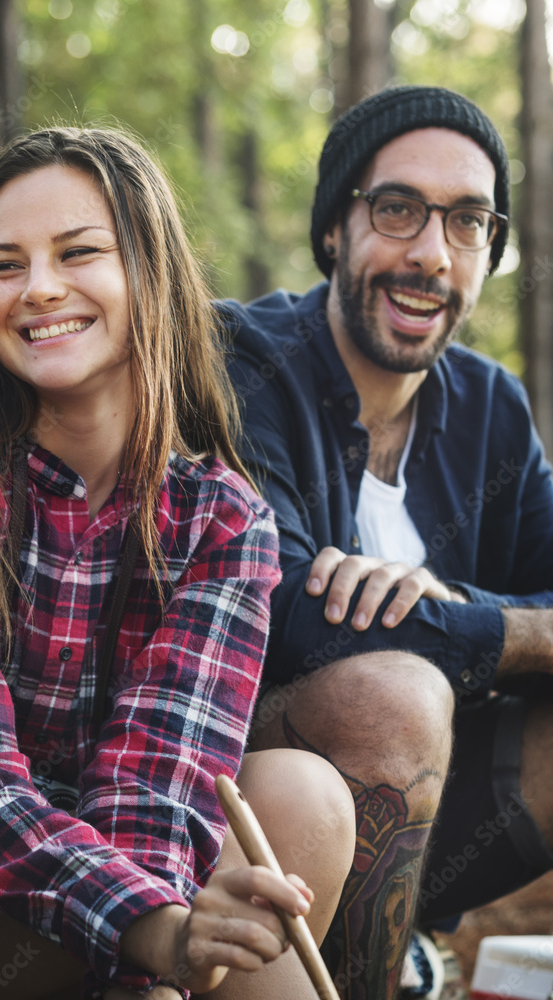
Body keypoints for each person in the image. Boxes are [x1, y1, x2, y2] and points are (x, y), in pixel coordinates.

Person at [0, 125, 355, 1000]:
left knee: (302, 796)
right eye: (4, 265)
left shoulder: (223, 517)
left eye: (78, 252)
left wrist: (153, 967)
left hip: (140, 893)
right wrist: (154, 933)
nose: (38, 290)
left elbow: (164, 770)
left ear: (150, 272)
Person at [219, 84, 553, 1000]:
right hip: (250, 799)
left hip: (428, 805)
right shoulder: (242, 361)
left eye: (469, 222)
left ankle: (402, 953)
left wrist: (472, 621)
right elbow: (279, 615)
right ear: (336, 229)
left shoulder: (491, 407)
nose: (430, 255)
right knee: (390, 692)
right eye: (398, 209)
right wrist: (508, 638)